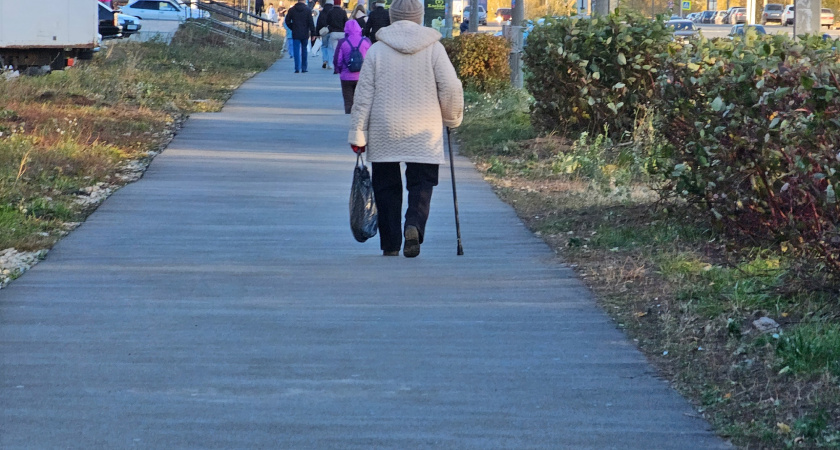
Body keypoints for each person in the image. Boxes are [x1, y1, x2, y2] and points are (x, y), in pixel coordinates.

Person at [348, 0, 463, 258]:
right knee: (422, 181)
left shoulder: (377, 51)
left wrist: (357, 132)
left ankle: (390, 244)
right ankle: (414, 224)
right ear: (419, 17)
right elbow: (451, 88)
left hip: (384, 127)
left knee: (386, 185)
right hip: (424, 128)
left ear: (392, 17)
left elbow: (363, 95)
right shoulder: (434, 49)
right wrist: (451, 117)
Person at [333, 20, 371, 113]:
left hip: (346, 77)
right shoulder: (366, 41)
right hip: (362, 76)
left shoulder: (342, 42)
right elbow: (371, 59)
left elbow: (337, 60)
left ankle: (348, 117)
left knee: (348, 101)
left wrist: (339, 70)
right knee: (361, 101)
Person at [284, 0, 317, 73]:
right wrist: (313, 33)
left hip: (295, 32)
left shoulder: (292, 10)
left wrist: (292, 27)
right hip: (305, 32)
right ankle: (304, 68)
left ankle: (297, 68)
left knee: (296, 50)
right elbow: (311, 22)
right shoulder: (307, 10)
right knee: (304, 50)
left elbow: (287, 21)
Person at [326, 0, 349, 69]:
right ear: (340, 3)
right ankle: (341, 64)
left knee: (332, 49)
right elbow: (346, 22)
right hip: (342, 33)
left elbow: (327, 22)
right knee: (341, 49)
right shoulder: (343, 12)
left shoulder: (330, 12)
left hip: (333, 32)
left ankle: (331, 64)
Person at [315, 0, 335, 68]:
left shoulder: (322, 12)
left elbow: (318, 23)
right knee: (330, 47)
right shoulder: (333, 11)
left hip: (324, 32)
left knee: (324, 46)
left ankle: (324, 60)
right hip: (332, 31)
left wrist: (317, 33)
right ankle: (330, 63)